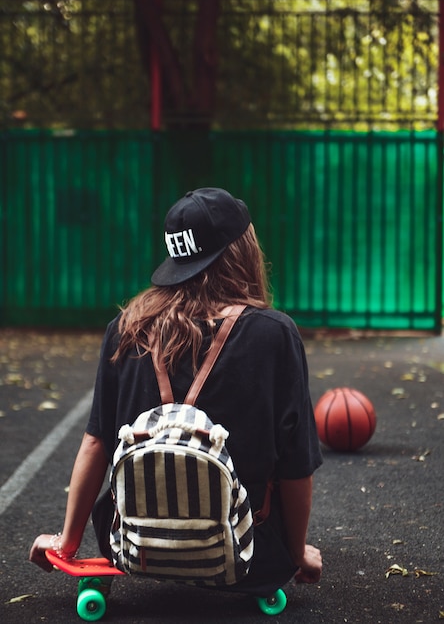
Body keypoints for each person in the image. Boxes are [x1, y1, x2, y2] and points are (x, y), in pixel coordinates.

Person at [29, 187, 323, 594]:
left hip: (132, 548)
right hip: (250, 555)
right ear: (242, 250)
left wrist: (67, 543)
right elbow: (296, 464)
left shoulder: (126, 327)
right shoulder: (275, 333)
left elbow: (95, 444)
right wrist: (296, 553)